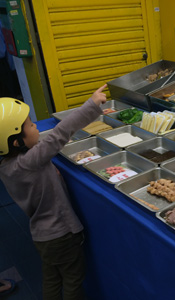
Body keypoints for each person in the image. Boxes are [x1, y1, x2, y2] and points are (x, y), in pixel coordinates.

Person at [0, 84, 108, 300]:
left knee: (51, 278)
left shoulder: (6, 166)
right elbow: (59, 133)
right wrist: (92, 104)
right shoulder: (30, 162)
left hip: (41, 237)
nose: (36, 128)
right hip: (62, 235)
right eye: (31, 125)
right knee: (73, 281)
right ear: (15, 142)